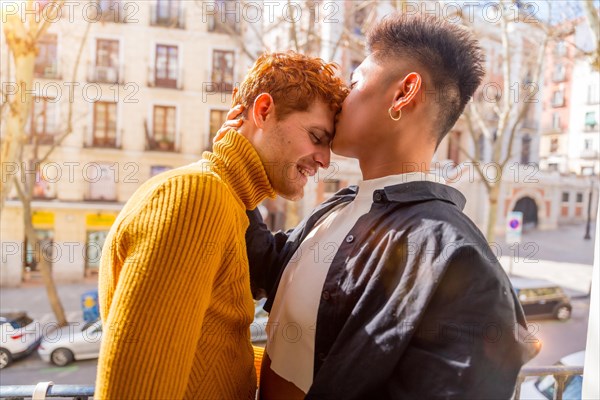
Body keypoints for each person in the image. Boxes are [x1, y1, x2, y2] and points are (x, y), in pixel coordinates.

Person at [220, 14, 539, 399]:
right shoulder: (338, 209)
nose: (339, 97)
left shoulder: (457, 260)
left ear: (404, 93)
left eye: (354, 82)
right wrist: (238, 155)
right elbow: (268, 265)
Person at [95, 52, 347, 399]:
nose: (325, 159)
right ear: (262, 112)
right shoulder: (198, 196)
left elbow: (209, 357)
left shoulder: (226, 202)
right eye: (317, 137)